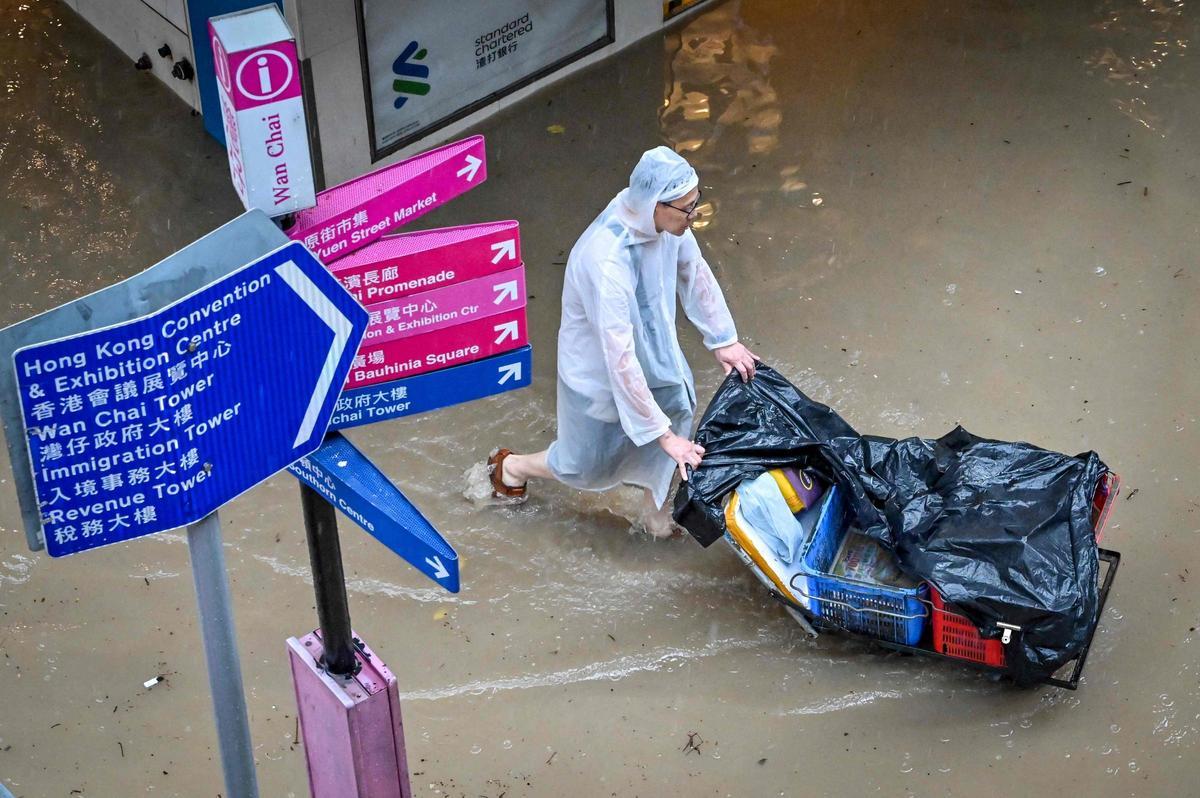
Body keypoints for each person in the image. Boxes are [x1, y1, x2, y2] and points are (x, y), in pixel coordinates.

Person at [488, 147, 758, 537]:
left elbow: (693, 272)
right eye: (687, 208)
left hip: (653, 352)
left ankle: (655, 516)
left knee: (675, 413)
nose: (694, 214)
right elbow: (619, 357)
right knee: (586, 461)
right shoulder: (607, 259)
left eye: (695, 202)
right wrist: (662, 436)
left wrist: (723, 339)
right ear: (656, 203)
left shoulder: (669, 225)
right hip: (599, 371)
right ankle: (511, 467)